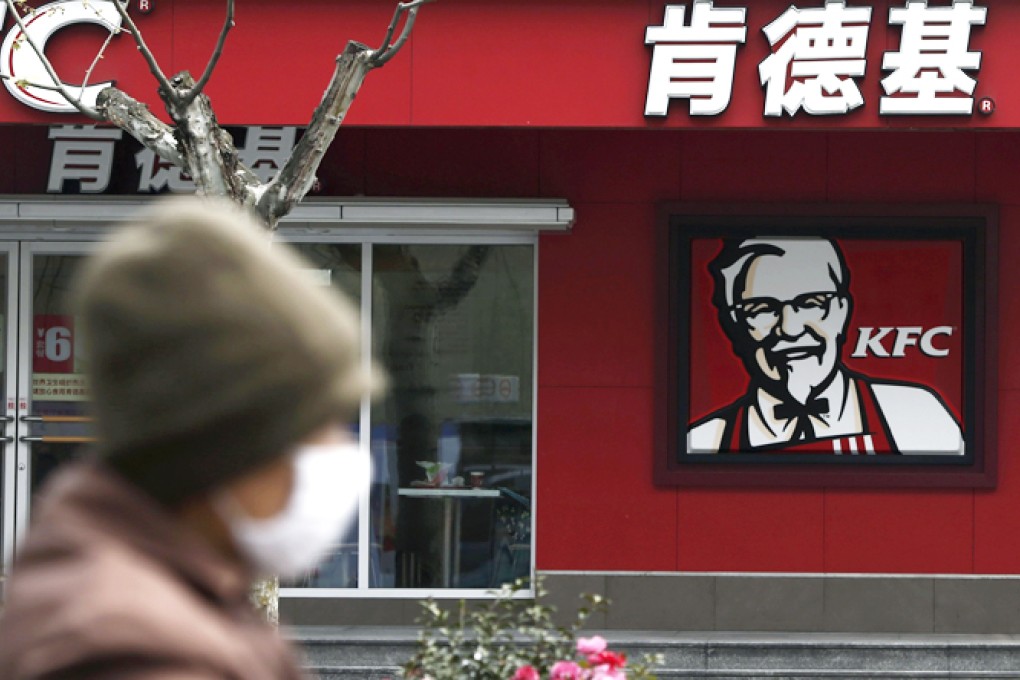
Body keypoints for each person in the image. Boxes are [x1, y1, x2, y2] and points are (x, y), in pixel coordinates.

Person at [0, 198, 378, 679]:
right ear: (224, 442)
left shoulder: (177, 594)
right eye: (312, 427)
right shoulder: (139, 648)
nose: (337, 454)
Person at [687, 237, 963, 455]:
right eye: (762, 309)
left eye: (810, 304)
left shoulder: (915, 414)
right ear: (734, 324)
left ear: (842, 312)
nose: (791, 329)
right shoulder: (706, 440)